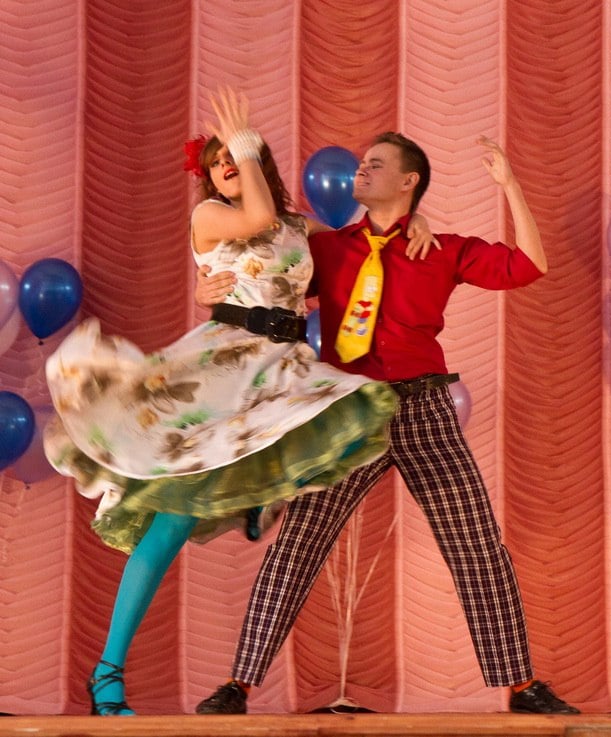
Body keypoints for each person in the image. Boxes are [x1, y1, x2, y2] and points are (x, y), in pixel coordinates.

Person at [192, 131, 577, 715]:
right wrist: (208, 286)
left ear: (408, 181)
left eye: (375, 164)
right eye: (362, 164)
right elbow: (264, 274)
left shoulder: (440, 248)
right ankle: (238, 683)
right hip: (350, 410)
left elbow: (529, 265)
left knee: (475, 542)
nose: (360, 170)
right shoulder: (328, 247)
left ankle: (522, 685)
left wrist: (510, 186)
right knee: (298, 544)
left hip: (424, 408)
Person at [43, 90, 398, 715]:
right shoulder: (211, 214)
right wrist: (244, 144)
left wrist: (411, 224)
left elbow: (368, 247)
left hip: (280, 369)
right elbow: (257, 218)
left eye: (233, 156)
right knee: (171, 523)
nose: (225, 166)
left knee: (341, 405)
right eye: (217, 162)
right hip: (223, 369)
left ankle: (256, 496)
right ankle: (107, 674)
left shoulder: (299, 228)